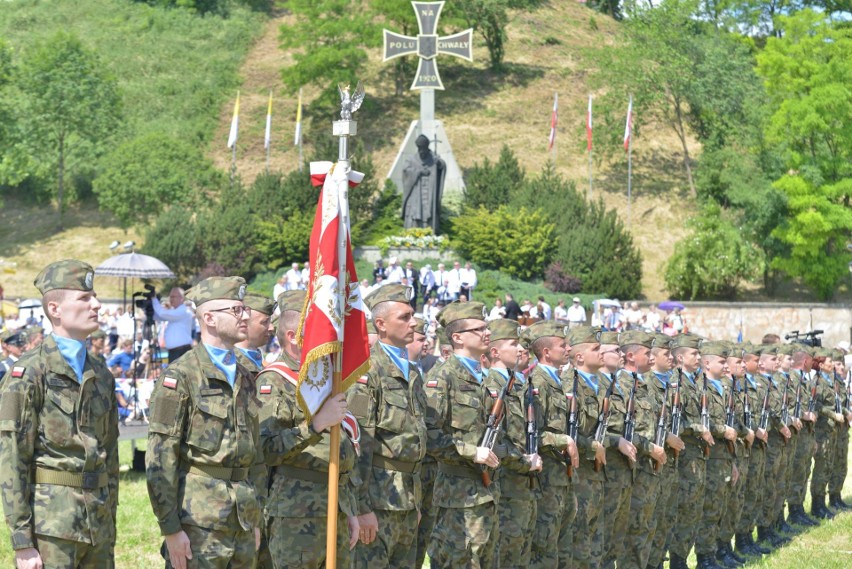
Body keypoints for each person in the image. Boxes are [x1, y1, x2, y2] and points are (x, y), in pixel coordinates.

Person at [0, 259, 119, 568]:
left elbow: (111, 452)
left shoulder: (101, 373)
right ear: (55, 309)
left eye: (93, 296)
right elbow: (12, 457)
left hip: (100, 523)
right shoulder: (28, 373)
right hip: (52, 527)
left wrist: (111, 514)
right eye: (84, 298)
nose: (96, 304)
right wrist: (23, 542)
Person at [146, 276, 264, 569]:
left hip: (244, 520)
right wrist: (171, 529)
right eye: (236, 310)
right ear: (209, 318)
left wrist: (256, 515)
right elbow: (161, 458)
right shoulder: (181, 376)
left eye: (245, 309)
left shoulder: (248, 372)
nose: (246, 315)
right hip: (199, 522)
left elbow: (256, 453)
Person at [256, 289, 359, 568]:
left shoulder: (327, 378)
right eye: (317, 328)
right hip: (296, 512)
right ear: (293, 336)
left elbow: (340, 449)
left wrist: (348, 508)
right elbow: (265, 449)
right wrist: (315, 425)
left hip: (335, 504)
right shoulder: (274, 382)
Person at [347, 285, 427, 567]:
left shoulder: (412, 373)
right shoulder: (366, 372)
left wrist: (415, 503)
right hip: (379, 502)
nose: (414, 323)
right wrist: (362, 507)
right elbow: (357, 442)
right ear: (380, 324)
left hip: (407, 499)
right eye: (404, 317)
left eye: (412, 316)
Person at [424, 301, 499, 568]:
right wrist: (471, 451)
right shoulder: (443, 377)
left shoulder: (485, 378)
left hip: (487, 490)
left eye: (487, 327)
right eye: (479, 329)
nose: (487, 333)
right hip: (458, 496)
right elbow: (429, 435)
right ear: (457, 337)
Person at [484, 319, 542, 569]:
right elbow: (493, 440)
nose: (521, 349)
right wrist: (523, 462)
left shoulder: (518, 384)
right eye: (513, 343)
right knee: (505, 554)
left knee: (521, 555)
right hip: (504, 484)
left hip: (523, 487)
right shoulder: (492, 386)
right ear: (495, 352)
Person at [521, 321, 579, 568]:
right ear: (546, 352)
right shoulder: (537, 383)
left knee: (560, 544)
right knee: (543, 545)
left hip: (562, 477)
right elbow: (530, 432)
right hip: (546, 479)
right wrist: (562, 439)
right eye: (562, 345)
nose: (568, 349)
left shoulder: (556, 380)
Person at [402, 134, 445, 234]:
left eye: (424, 149)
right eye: (420, 149)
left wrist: (438, 163)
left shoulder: (434, 158)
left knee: (428, 211)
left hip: (429, 191)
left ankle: (429, 232)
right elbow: (406, 170)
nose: (422, 151)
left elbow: (442, 166)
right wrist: (419, 172)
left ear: (427, 148)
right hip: (415, 191)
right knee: (414, 211)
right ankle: (413, 232)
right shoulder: (411, 159)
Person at [234, 292, 275, 375]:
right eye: (265, 322)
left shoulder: (256, 361)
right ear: (244, 322)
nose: (271, 328)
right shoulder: (232, 365)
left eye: (270, 321)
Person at [152, 287, 195, 363]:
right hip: (175, 352)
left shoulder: (183, 311)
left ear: (181, 298)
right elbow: (157, 317)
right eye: (170, 296)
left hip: (181, 352)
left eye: (173, 297)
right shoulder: (175, 311)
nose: (170, 299)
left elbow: (162, 313)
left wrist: (154, 299)